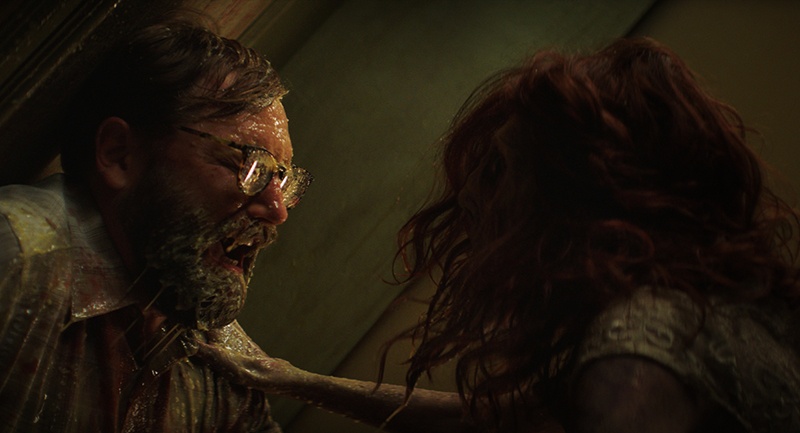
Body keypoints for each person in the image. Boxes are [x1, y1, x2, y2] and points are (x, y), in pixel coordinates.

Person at [198, 37, 800, 433]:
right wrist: (287, 377)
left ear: (572, 195)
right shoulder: (699, 305)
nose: (470, 201)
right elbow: (508, 420)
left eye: (496, 171)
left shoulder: (637, 347)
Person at [0, 15, 311, 433]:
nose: (277, 210)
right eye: (248, 166)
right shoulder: (15, 260)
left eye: (283, 180)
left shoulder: (222, 363)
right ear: (119, 154)